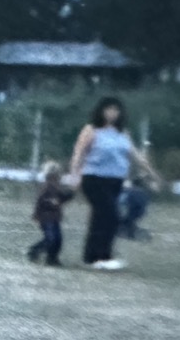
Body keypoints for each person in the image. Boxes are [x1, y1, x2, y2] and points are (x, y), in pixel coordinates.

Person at [65, 96, 162, 271]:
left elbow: (135, 155)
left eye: (116, 110)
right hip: (94, 179)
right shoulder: (91, 130)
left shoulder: (122, 133)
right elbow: (78, 153)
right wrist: (74, 176)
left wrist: (152, 174)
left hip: (115, 180)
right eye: (108, 109)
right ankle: (104, 256)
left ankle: (91, 257)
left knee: (99, 217)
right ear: (101, 111)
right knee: (111, 216)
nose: (112, 113)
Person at [26, 160, 73, 267]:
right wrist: (49, 204)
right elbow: (41, 201)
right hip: (46, 218)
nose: (58, 178)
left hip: (54, 218)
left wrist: (69, 195)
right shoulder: (46, 188)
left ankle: (51, 257)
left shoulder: (56, 187)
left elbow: (61, 199)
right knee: (52, 238)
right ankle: (39, 252)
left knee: (57, 239)